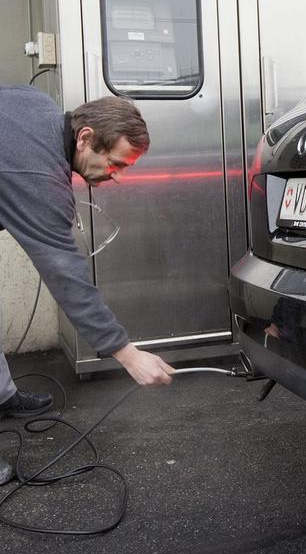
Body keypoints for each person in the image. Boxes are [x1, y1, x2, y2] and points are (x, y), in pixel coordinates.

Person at [0, 85, 175, 482]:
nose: (118, 176)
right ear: (85, 138)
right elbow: (68, 279)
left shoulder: (41, 105)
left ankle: (2, 396)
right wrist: (128, 355)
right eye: (116, 163)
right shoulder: (38, 177)